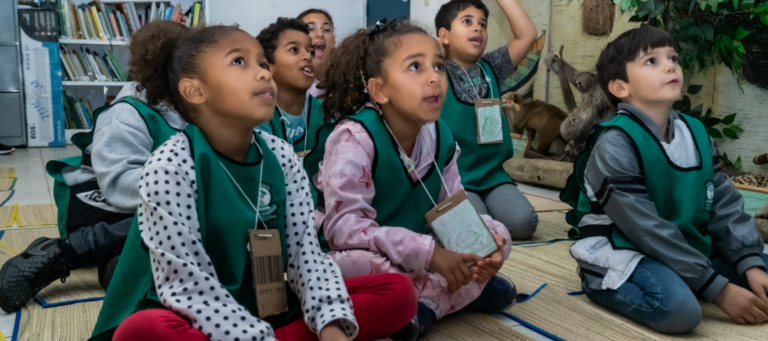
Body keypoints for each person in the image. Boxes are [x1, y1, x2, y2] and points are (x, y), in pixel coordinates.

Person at [90, 21, 417, 341]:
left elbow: (306, 257)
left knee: (399, 292)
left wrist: (332, 326)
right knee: (142, 330)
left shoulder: (280, 155)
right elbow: (189, 290)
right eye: (239, 61)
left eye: (262, 62)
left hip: (269, 301)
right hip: (198, 312)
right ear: (195, 90)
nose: (263, 72)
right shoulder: (170, 166)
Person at [305, 19, 514, 336]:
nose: (434, 78)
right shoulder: (354, 137)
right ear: (380, 90)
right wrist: (429, 255)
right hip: (351, 253)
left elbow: (454, 209)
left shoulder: (441, 135)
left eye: (439, 67)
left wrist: (484, 248)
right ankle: (450, 295)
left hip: (414, 251)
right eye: (415, 67)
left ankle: (424, 308)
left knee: (498, 233)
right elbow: (343, 230)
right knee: (362, 267)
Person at [560, 25, 768, 334]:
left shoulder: (696, 132)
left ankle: (691, 274)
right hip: (628, 246)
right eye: (651, 61)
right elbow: (643, 228)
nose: (671, 65)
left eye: (672, 57)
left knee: (759, 268)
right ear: (619, 87)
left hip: (685, 245)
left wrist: (750, 261)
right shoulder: (615, 143)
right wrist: (718, 289)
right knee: (681, 312)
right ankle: (599, 279)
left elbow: (722, 202)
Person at [0, 25, 187, 313]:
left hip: (146, 209)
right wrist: (191, 187)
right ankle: (68, 250)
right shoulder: (127, 113)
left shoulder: (190, 110)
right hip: (100, 209)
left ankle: (123, 265)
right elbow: (120, 187)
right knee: (192, 210)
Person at [434, 0, 539, 240]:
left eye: (483, 24)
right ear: (444, 35)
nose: (478, 28)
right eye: (467, 22)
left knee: (525, 224)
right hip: (454, 178)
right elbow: (416, 46)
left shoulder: (492, 66)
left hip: (492, 176)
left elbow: (528, 35)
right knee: (477, 231)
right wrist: (437, 46)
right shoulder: (436, 71)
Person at [255, 18, 324, 156]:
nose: (307, 56)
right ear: (268, 66)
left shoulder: (326, 113)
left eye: (311, 51)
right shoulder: (257, 115)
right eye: (294, 49)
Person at [297, 9, 336, 97]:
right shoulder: (285, 83)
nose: (320, 34)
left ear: (333, 40)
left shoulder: (346, 81)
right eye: (310, 29)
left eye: (326, 29)